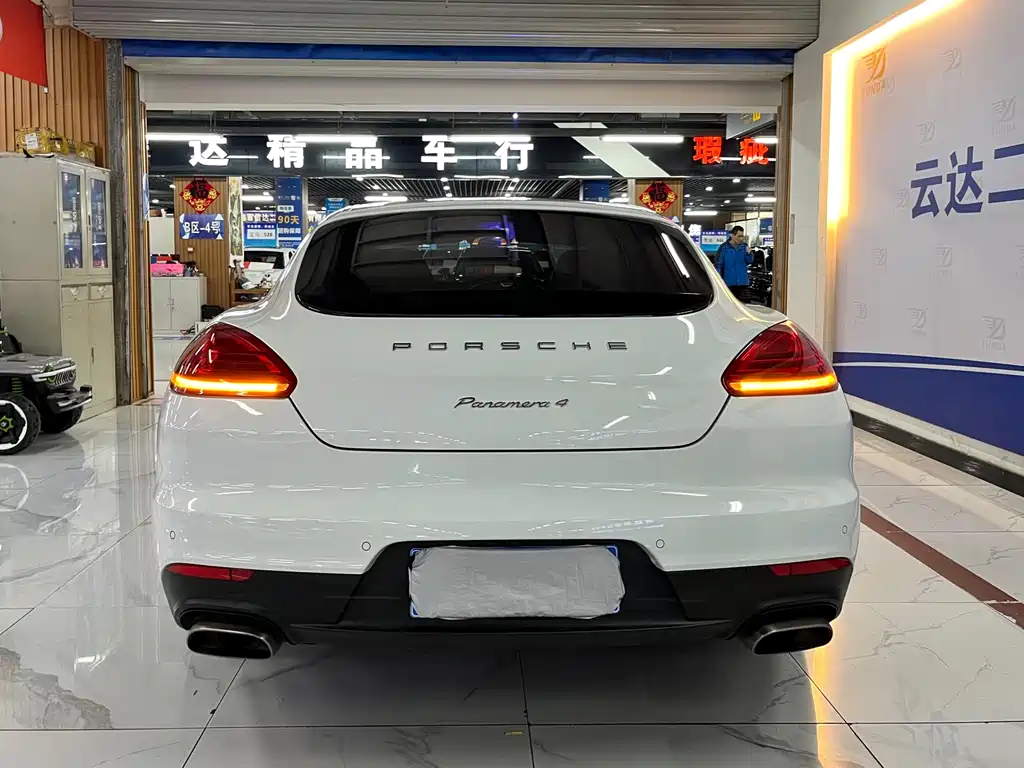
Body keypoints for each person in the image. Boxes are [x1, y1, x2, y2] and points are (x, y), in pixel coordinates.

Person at [715, 226, 753, 302]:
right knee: (729, 306)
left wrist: (749, 254)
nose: (741, 239)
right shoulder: (723, 248)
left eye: (742, 236)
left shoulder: (744, 246)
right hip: (729, 284)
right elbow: (719, 265)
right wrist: (719, 281)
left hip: (743, 283)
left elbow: (750, 261)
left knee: (745, 305)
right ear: (732, 235)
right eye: (739, 236)